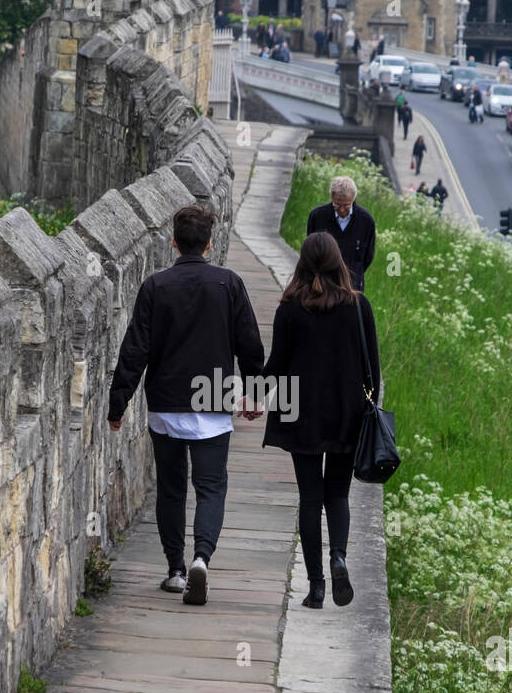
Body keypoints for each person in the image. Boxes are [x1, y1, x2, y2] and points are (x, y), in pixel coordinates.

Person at [107, 203, 264, 606]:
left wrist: (118, 403)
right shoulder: (229, 284)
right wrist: (255, 393)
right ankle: (202, 558)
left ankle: (176, 571)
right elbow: (250, 345)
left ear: (173, 242)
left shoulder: (155, 287)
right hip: (212, 398)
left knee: (171, 489)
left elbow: (135, 349)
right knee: (211, 488)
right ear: (210, 243)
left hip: (166, 401)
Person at [263, 232, 381, 610]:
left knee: (310, 500)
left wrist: (248, 394)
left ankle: (315, 587)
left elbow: (277, 366)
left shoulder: (291, 308)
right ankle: (339, 558)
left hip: (302, 414)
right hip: (346, 414)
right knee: (339, 494)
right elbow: (372, 372)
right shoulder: (358, 307)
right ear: (338, 261)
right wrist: (367, 409)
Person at [305, 174, 376, 293]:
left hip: (352, 287)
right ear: (332, 198)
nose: (342, 210)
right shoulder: (317, 217)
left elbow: (367, 257)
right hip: (322, 286)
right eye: (337, 206)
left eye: (346, 206)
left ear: (353, 200)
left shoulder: (366, 221)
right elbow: (310, 251)